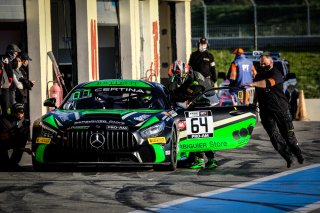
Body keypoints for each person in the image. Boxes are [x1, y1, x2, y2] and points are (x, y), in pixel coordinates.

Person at [242, 54, 304, 168]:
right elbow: (257, 91)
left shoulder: (276, 73)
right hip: (266, 112)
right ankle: (288, 157)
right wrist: (253, 104)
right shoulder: (258, 76)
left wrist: (253, 84)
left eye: (264, 63)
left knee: (288, 137)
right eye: (260, 63)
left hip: (281, 110)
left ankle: (297, 153)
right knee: (274, 137)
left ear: (271, 63)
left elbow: (267, 83)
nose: (262, 65)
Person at [187, 38, 217, 169]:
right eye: (200, 44)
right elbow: (190, 70)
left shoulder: (209, 56)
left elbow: (213, 70)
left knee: (203, 132)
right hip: (196, 89)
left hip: (206, 88)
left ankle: (208, 159)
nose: (202, 46)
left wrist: (214, 82)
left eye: (204, 44)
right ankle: (200, 158)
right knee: (199, 132)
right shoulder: (194, 55)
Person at [0, 103, 31, 171]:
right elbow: (5, 140)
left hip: (8, 141)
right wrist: (23, 149)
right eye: (19, 112)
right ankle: (7, 163)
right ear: (14, 112)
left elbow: (16, 137)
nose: (21, 114)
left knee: (23, 133)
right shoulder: (4, 121)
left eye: (22, 112)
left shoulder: (16, 121)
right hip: (2, 143)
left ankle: (13, 163)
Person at [1, 44, 21, 115]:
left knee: (8, 107)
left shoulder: (9, 60)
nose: (16, 54)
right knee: (7, 109)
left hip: (7, 88)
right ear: (11, 51)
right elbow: (9, 74)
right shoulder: (5, 59)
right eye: (16, 52)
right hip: (4, 88)